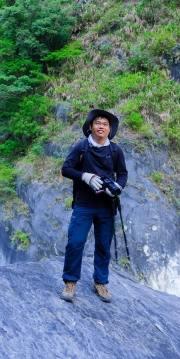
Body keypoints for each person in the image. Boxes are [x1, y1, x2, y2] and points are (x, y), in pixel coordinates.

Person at [59, 109, 129, 303]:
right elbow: (66, 169)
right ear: (90, 127)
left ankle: (100, 282)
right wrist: (84, 176)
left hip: (106, 206)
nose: (101, 126)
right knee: (75, 242)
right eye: (97, 123)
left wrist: (117, 187)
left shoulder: (115, 151)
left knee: (103, 246)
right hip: (84, 204)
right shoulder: (81, 147)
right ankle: (70, 282)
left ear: (110, 129)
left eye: (105, 124)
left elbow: (122, 173)